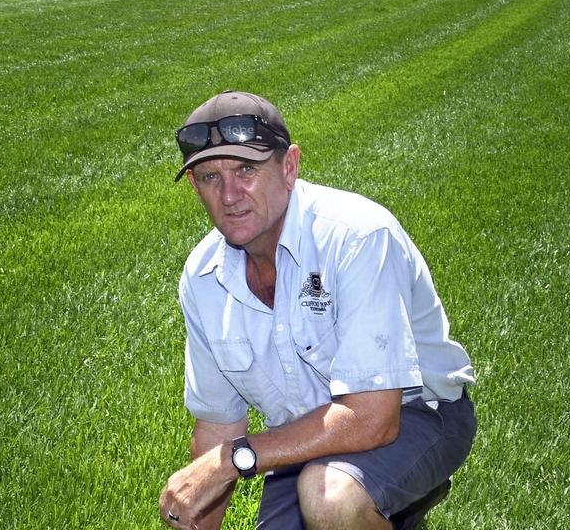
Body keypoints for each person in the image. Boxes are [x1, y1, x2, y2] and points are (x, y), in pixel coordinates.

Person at [159, 91, 477, 530]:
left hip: (415, 414)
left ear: (289, 167)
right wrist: (201, 499)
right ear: (195, 187)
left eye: (246, 170)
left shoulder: (357, 237)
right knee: (318, 487)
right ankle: (394, 514)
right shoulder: (203, 277)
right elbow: (217, 432)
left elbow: (373, 419)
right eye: (211, 177)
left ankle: (397, 498)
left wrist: (234, 460)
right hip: (307, 439)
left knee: (330, 501)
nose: (230, 194)